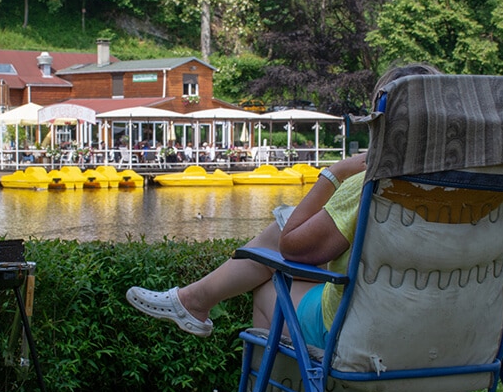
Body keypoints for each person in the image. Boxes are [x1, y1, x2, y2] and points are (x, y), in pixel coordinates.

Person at [126, 63, 444, 345]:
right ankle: (194, 299)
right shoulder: (483, 190)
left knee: (270, 284)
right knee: (286, 248)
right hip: (450, 334)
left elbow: (292, 247)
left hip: (369, 333)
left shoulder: (371, 186)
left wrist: (335, 172)